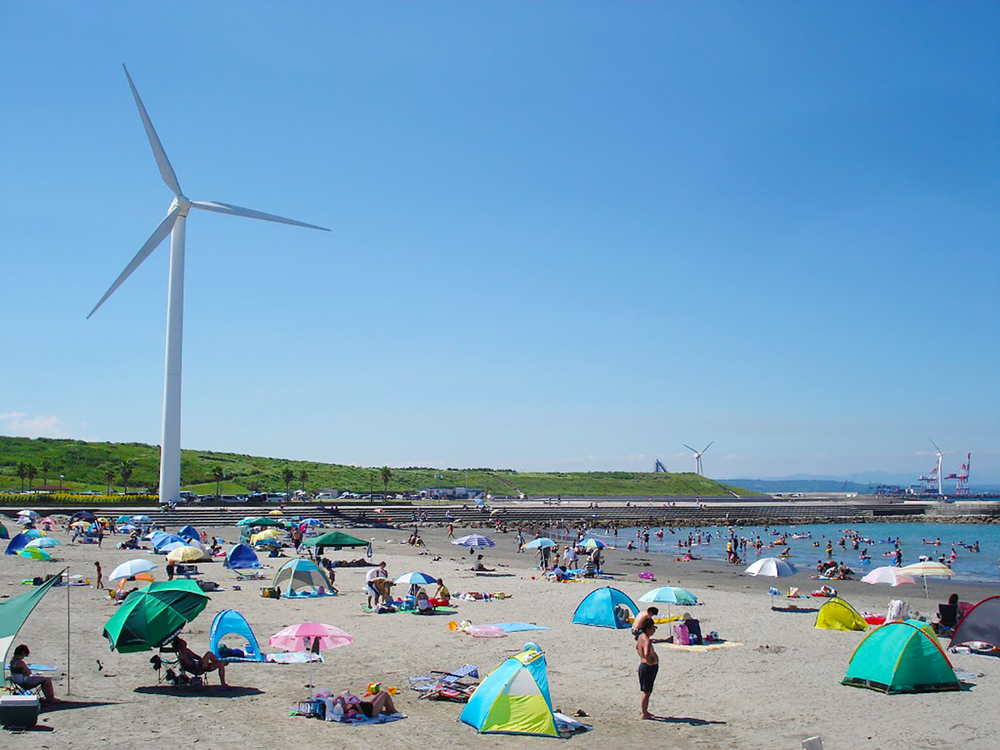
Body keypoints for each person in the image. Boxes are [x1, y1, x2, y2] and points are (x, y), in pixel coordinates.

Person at [635, 619, 659, 719]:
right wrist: (650, 662)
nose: (654, 630)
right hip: (648, 667)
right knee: (647, 691)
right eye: (653, 628)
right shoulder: (646, 640)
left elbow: (637, 648)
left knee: (646, 690)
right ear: (648, 629)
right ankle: (644, 713)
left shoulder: (640, 637)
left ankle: (645, 711)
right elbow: (646, 653)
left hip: (643, 666)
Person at [332, 689, 399, 720]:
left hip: (369, 705)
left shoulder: (345, 705)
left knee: (381, 692)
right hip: (372, 711)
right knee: (385, 694)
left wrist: (336, 699)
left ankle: (388, 710)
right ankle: (393, 711)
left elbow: (340, 697)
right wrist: (358, 707)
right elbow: (362, 716)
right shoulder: (350, 711)